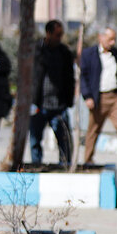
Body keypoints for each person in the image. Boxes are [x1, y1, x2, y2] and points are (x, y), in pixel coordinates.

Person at [79, 26, 117, 171]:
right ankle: (88, 160)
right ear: (101, 37)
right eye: (110, 39)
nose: (112, 42)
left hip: (116, 97)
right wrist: (87, 96)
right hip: (98, 98)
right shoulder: (88, 54)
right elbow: (83, 77)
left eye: (114, 39)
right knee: (93, 130)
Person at [30, 20, 75, 165]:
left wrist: (69, 100)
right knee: (35, 139)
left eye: (61, 35)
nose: (59, 38)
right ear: (48, 33)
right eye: (57, 35)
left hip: (59, 105)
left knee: (64, 139)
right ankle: (36, 165)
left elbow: (69, 78)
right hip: (39, 104)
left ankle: (65, 165)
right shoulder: (36, 50)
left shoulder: (64, 53)